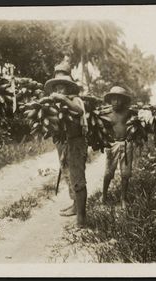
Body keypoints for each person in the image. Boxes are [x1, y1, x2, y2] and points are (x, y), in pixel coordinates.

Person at [45, 63, 88, 228]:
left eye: (62, 87)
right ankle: (75, 207)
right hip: (66, 143)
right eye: (57, 87)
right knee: (69, 175)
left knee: (78, 179)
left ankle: (82, 220)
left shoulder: (74, 100)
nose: (59, 90)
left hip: (77, 143)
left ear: (68, 88)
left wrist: (63, 99)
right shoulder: (56, 103)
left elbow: (79, 111)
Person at [102, 86, 134, 209]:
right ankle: (104, 195)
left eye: (119, 99)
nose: (116, 102)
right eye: (113, 99)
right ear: (110, 100)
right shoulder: (106, 114)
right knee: (108, 173)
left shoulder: (128, 112)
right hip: (112, 144)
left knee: (125, 173)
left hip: (126, 144)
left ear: (124, 100)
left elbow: (140, 117)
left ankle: (123, 198)